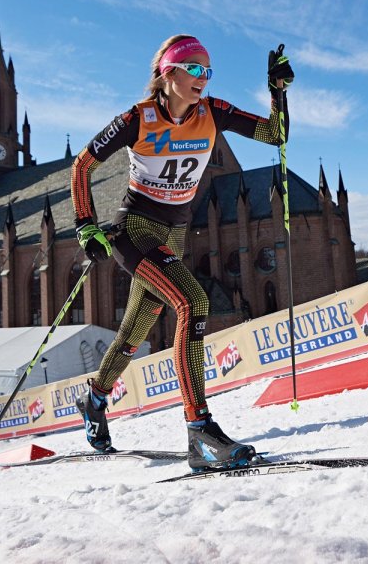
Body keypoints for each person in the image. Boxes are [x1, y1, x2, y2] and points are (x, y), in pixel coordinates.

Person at [70, 34, 294, 472]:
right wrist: (85, 225)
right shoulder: (139, 118)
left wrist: (278, 93)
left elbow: (276, 134)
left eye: (207, 71)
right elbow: (83, 165)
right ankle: (200, 434)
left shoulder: (214, 112)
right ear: (167, 73)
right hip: (134, 230)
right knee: (194, 302)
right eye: (193, 69)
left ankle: (94, 400)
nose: (202, 78)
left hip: (173, 235)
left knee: (134, 331)